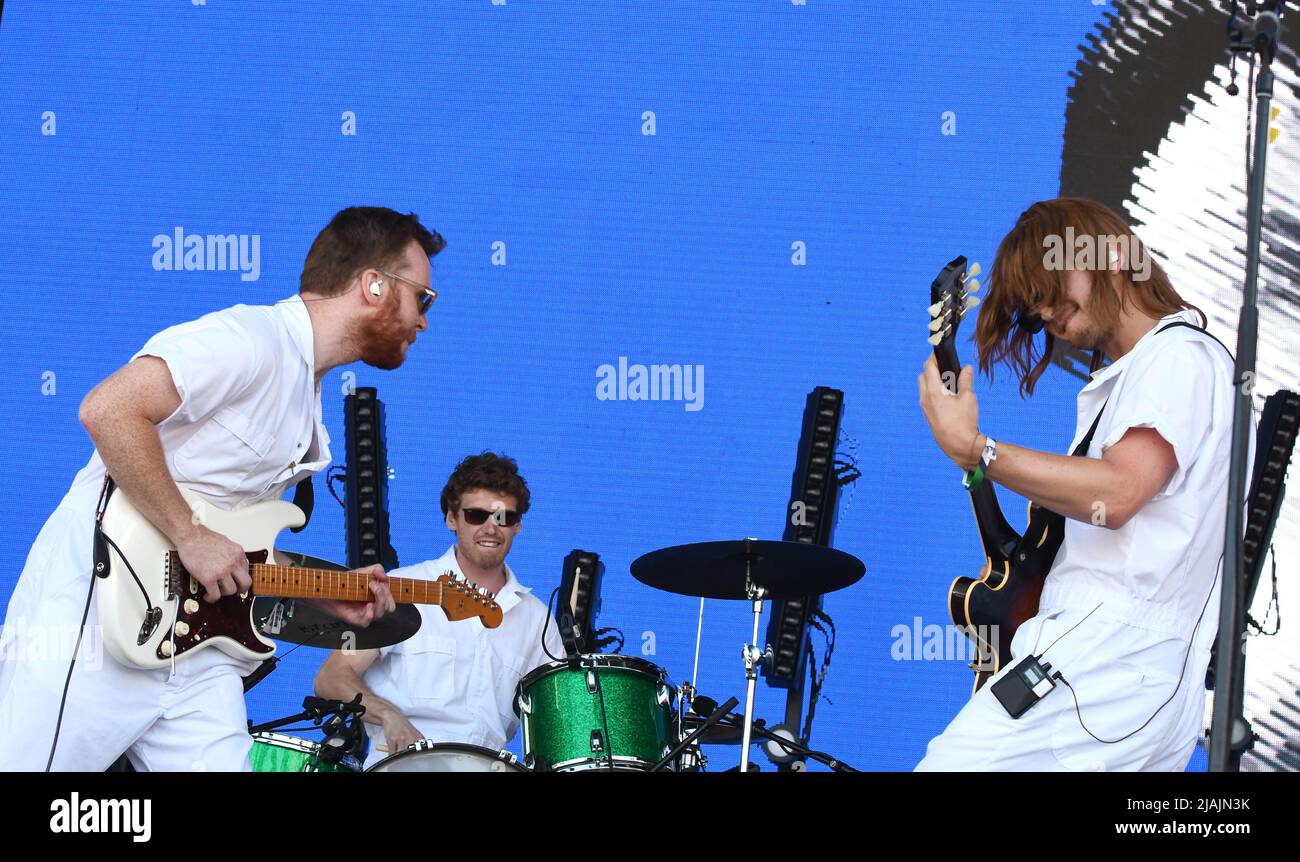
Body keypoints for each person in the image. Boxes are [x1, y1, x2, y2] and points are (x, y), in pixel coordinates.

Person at [0, 206, 444, 771]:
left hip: (194, 647)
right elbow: (108, 409)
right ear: (374, 285)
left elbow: (232, 541)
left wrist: (324, 592)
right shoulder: (252, 339)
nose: (424, 320)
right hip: (103, 614)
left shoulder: (303, 392)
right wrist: (187, 533)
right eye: (422, 298)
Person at [915, 197, 1240, 771]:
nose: (1044, 312)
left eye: (1050, 288)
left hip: (1104, 670)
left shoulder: (1178, 358)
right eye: (1034, 304)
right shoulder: (1142, 373)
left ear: (1110, 256)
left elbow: (1115, 495)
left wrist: (977, 449)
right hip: (1117, 676)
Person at [314, 452, 564, 767]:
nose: (491, 527)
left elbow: (558, 723)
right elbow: (332, 677)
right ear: (451, 518)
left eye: (504, 517)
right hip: (403, 764)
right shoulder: (402, 587)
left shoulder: (537, 618)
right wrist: (388, 714)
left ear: (518, 526)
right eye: (476, 515)